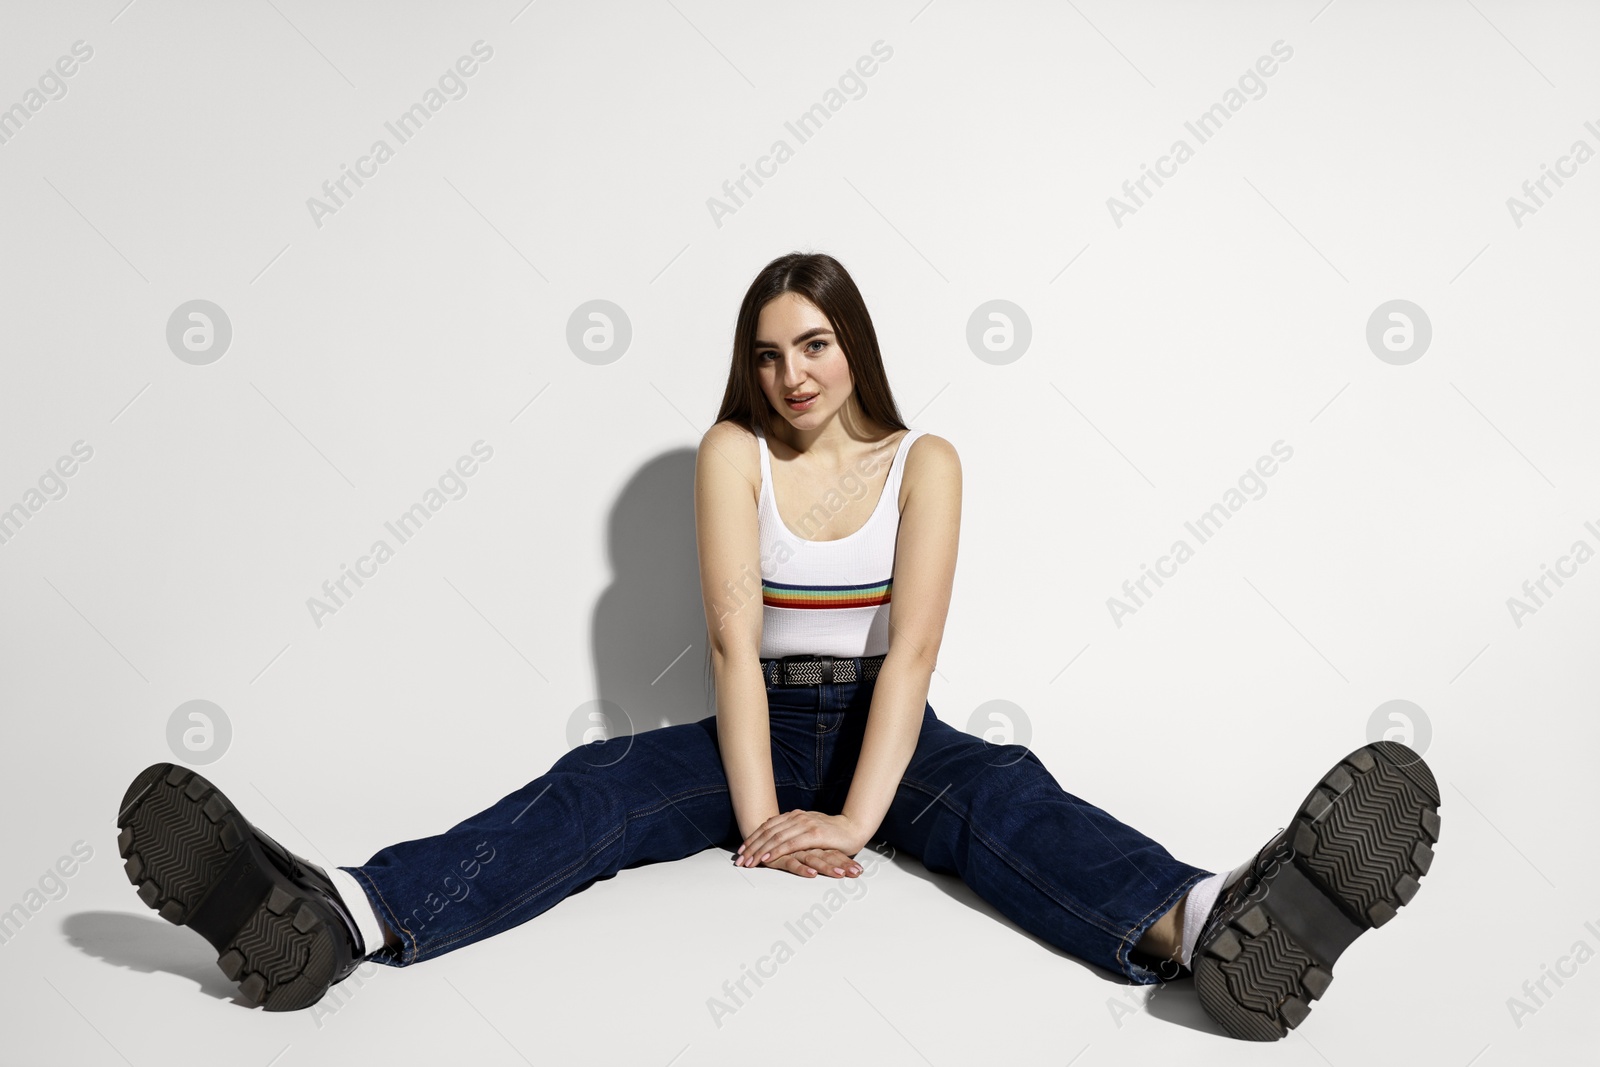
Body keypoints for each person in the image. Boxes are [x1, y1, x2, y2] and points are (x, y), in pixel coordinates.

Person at [116, 251, 1441, 1041]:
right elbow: (733, 649)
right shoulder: (730, 454)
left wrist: (853, 825)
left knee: (1002, 797)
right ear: (748, 375)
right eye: (768, 355)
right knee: (595, 790)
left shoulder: (927, 461)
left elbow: (912, 659)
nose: (793, 372)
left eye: (813, 344)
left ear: (853, 345)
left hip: (887, 733)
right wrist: (762, 818)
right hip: (757, 730)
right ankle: (345, 915)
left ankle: (1210, 923)